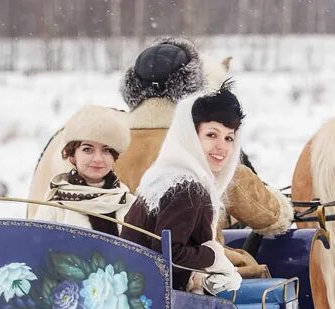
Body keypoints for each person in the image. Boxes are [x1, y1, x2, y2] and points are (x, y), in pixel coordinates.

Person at [123, 83, 245, 294]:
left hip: (140, 290)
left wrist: (204, 277)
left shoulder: (164, 177)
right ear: (190, 135)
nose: (222, 147)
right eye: (211, 135)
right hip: (157, 304)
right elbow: (167, 254)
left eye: (229, 138)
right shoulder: (187, 189)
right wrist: (213, 257)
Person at [32, 105, 135, 236]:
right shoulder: (56, 207)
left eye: (106, 150)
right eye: (87, 149)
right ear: (71, 155)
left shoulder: (131, 205)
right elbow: (38, 251)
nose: (98, 159)